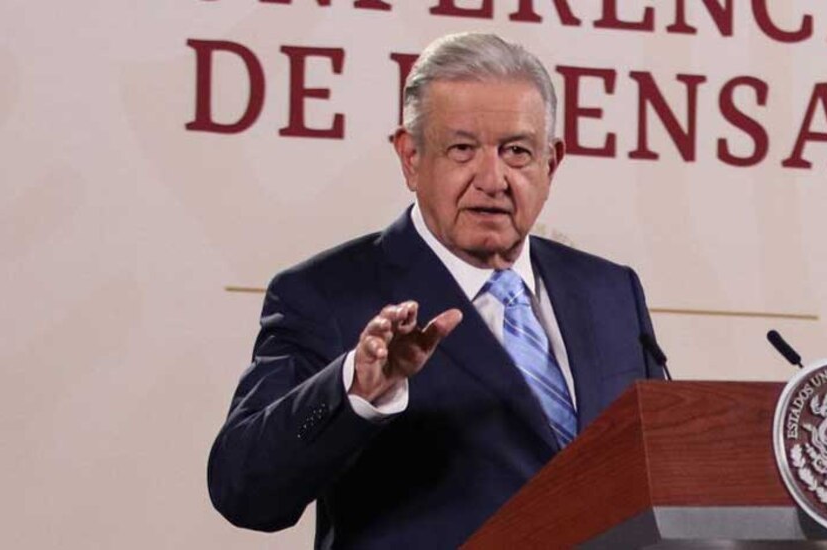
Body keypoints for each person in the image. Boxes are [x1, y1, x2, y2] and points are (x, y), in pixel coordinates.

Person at [208, 32, 666, 548]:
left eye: (516, 151)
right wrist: (356, 390)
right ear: (410, 157)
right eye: (462, 149)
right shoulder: (327, 294)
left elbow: (665, 474)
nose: (492, 179)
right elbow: (243, 491)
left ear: (551, 163)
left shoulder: (610, 291)